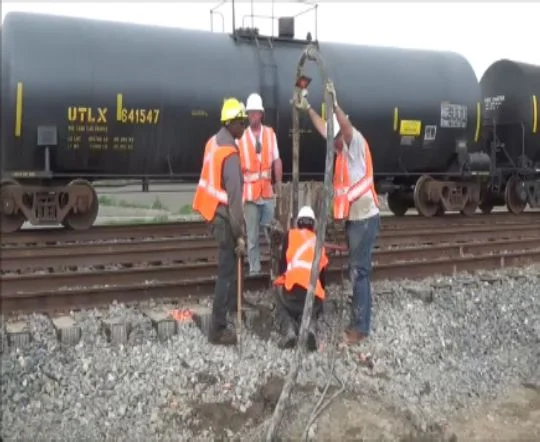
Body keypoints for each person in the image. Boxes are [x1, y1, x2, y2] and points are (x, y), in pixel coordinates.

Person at [294, 82, 381, 346]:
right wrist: (308, 107)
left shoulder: (354, 144)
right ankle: (358, 322)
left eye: (335, 138)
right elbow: (325, 129)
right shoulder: (340, 148)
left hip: (364, 217)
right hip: (356, 218)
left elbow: (342, 126)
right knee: (357, 270)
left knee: (359, 271)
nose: (332, 143)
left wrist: (334, 103)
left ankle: (360, 328)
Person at [192, 97, 248, 346]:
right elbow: (235, 201)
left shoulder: (212, 142)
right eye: (242, 123)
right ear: (232, 122)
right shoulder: (230, 154)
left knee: (229, 268)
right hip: (225, 218)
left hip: (212, 213)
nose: (245, 128)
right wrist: (240, 235)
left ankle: (231, 309)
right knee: (226, 273)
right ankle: (218, 329)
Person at [237, 92, 283, 276]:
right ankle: (254, 268)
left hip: (267, 192)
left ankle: (275, 267)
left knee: (272, 231)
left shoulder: (270, 134)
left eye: (256, 113)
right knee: (253, 235)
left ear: (261, 114)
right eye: (250, 113)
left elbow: (276, 160)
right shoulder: (240, 138)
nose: (253, 116)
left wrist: (278, 184)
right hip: (249, 194)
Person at [273, 205, 329, 352]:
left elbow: (282, 268)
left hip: (291, 299)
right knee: (315, 303)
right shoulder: (319, 241)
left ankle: (288, 329)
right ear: (313, 225)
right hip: (312, 300)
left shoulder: (290, 236)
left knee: (278, 293)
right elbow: (323, 278)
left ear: (298, 223)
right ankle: (310, 327)